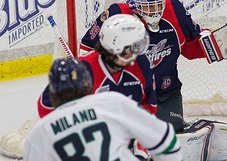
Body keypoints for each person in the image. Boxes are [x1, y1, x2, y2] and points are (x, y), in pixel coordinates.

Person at [0, 14, 157, 159]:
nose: (136, 53)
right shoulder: (82, 70)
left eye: (139, 46)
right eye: (132, 48)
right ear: (114, 47)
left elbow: (148, 108)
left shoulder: (142, 65)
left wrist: (140, 141)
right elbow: (45, 107)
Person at [80, 0, 210, 132]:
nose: (154, 11)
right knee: (126, 136)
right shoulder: (118, 16)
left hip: (166, 91)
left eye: (157, 5)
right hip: (128, 93)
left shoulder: (174, 10)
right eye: (149, 6)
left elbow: (194, 45)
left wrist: (217, 45)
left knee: (172, 133)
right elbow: (88, 47)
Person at [23, 58, 182, 161]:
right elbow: (166, 139)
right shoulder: (111, 102)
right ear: (88, 83)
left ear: (51, 91)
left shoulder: (39, 132)